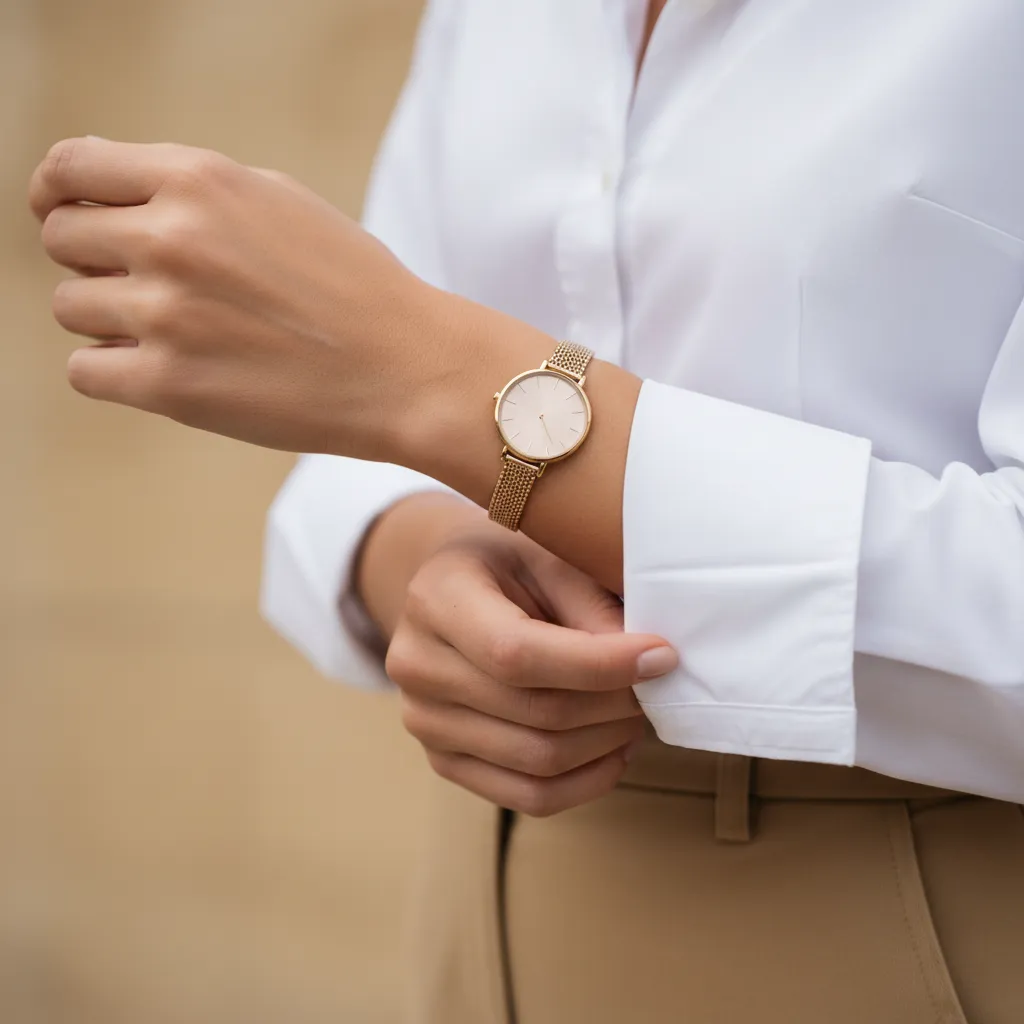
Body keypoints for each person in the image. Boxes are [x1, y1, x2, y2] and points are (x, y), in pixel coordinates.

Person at [30, 1, 1024, 1021]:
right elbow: (358, 434)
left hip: (907, 903)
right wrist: (429, 563)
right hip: (490, 893)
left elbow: (399, 359)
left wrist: (445, 381)